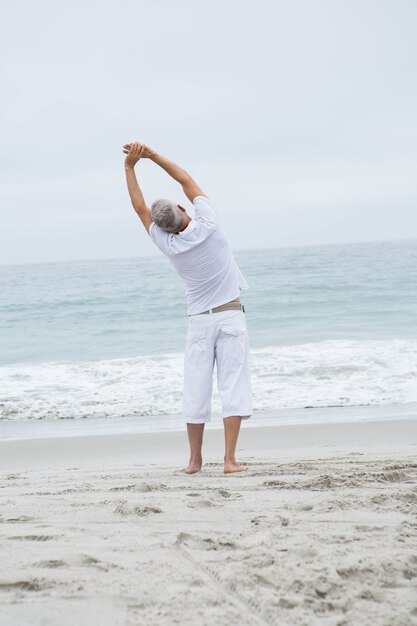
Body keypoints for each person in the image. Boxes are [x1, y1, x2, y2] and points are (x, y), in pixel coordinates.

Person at [123, 142, 253, 474]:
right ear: (184, 208)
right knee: (233, 385)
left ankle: (194, 461)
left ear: (162, 228)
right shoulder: (209, 223)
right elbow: (186, 179)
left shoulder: (167, 245)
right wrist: (151, 156)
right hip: (230, 315)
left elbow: (139, 208)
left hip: (199, 323)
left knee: (196, 389)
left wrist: (129, 168)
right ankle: (229, 460)